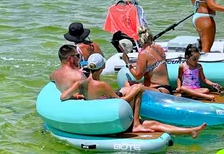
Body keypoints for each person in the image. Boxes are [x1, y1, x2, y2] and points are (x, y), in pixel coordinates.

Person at [60, 57, 206, 137]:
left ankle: (190, 131)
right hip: (115, 119)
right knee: (138, 90)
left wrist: (78, 97)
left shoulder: (81, 83)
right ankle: (136, 125)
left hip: (102, 118)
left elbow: (63, 96)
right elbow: (120, 103)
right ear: (103, 67)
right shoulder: (102, 85)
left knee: (153, 124)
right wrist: (137, 90)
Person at [124, 26, 170, 93]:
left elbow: (137, 76)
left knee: (128, 84)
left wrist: (127, 63)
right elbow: (154, 64)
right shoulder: (159, 48)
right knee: (130, 84)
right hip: (166, 89)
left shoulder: (143, 54)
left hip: (158, 91)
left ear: (139, 39)